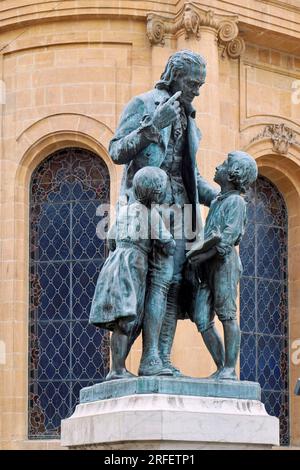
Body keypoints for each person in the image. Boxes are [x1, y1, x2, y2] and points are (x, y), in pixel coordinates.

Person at [109, 50, 217, 375]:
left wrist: (222, 197)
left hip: (181, 209)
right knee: (138, 288)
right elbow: (116, 150)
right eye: (192, 82)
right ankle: (119, 367)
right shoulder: (144, 104)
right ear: (173, 75)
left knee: (173, 285)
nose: (197, 89)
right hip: (147, 205)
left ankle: (158, 359)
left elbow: (193, 175)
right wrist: (152, 127)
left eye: (201, 84)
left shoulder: (189, 117)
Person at [89, 167, 175, 380]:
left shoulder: (125, 210)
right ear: (155, 193)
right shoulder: (150, 214)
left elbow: (110, 240)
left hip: (115, 263)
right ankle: (118, 370)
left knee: (121, 319)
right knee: (130, 316)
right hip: (134, 266)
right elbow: (166, 243)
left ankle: (116, 369)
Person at [184, 151, 258, 380]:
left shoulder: (236, 202)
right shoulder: (218, 199)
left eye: (224, 164)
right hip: (208, 265)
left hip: (224, 265)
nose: (217, 166)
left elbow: (227, 240)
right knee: (201, 317)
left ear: (233, 174)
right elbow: (198, 183)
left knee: (227, 315)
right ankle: (221, 367)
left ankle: (229, 370)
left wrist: (198, 256)